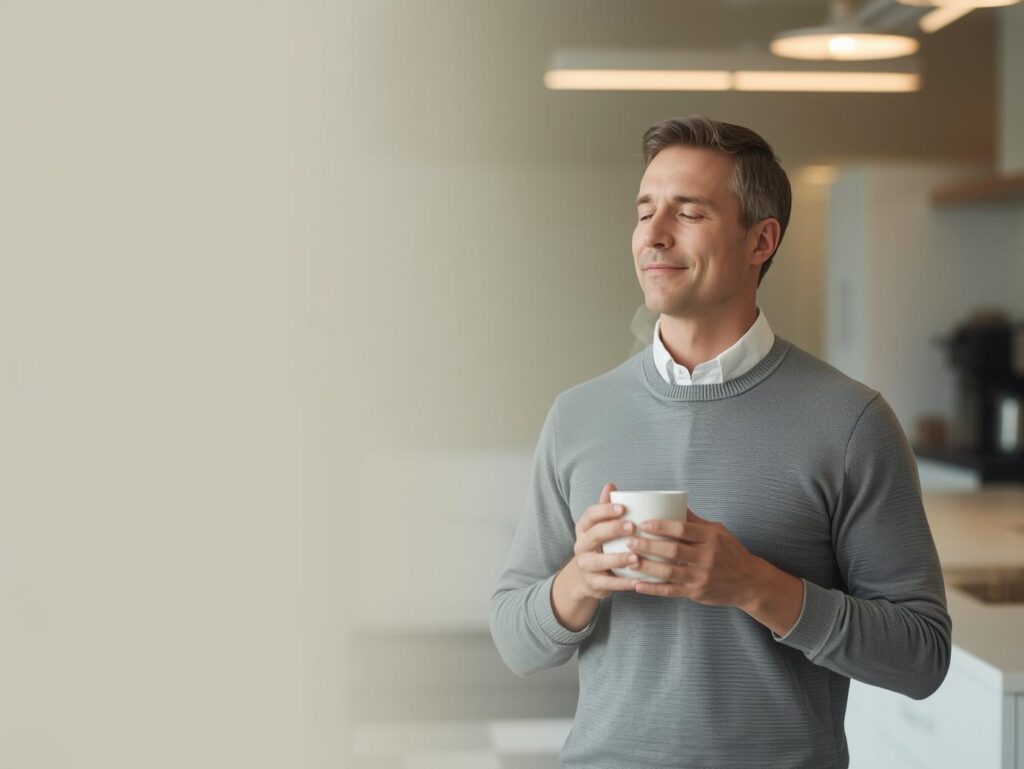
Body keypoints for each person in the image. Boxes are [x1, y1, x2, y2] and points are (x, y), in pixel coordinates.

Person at [489, 116, 951, 769]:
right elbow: (515, 638)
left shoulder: (853, 421)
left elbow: (922, 655)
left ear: (762, 239)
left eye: (689, 212)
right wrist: (578, 581)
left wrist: (754, 585)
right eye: (645, 210)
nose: (653, 234)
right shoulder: (577, 415)